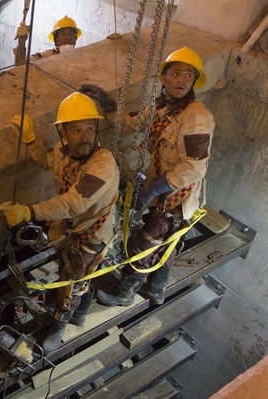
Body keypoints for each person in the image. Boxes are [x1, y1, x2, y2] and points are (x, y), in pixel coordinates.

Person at [0, 92, 119, 354]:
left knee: (73, 282)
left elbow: (74, 204)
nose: (85, 136)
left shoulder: (103, 164)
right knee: (79, 275)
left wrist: (28, 212)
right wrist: (30, 139)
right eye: (76, 130)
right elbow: (46, 160)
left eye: (89, 128)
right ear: (63, 133)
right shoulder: (63, 154)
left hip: (92, 232)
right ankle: (79, 313)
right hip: (70, 229)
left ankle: (61, 324)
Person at [97, 46, 214, 307]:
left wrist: (154, 190)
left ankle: (125, 294)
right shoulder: (163, 110)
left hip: (176, 195)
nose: (180, 80)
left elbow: (195, 167)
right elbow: (132, 123)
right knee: (168, 242)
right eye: (175, 73)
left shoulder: (196, 116)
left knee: (147, 242)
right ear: (164, 79)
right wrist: (108, 107)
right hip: (162, 188)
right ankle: (157, 289)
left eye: (187, 75)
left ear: (194, 80)